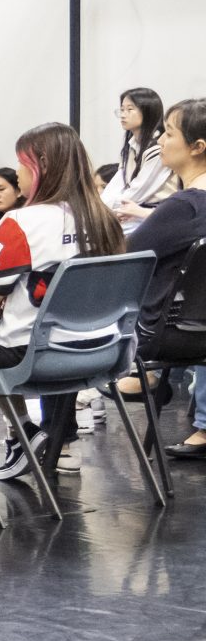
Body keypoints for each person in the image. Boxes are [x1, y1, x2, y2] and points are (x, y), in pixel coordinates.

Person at [0, 122, 125, 482]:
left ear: (40, 166)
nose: (17, 174)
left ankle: (24, 431)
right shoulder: (106, 219)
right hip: (104, 351)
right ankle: (58, 442)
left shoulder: (19, 222)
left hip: (36, 356)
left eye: (20, 165)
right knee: (55, 328)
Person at [129, 97, 206, 463]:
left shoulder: (183, 207)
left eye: (169, 133)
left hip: (163, 335)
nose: (160, 139)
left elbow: (123, 262)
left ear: (197, 147)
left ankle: (56, 443)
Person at [102, 87, 168, 226]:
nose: (123, 115)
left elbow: (138, 192)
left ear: (148, 112)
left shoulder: (157, 148)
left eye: (130, 109)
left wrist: (103, 209)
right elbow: (118, 182)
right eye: (122, 109)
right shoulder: (130, 146)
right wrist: (99, 206)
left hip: (153, 214)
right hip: (131, 212)